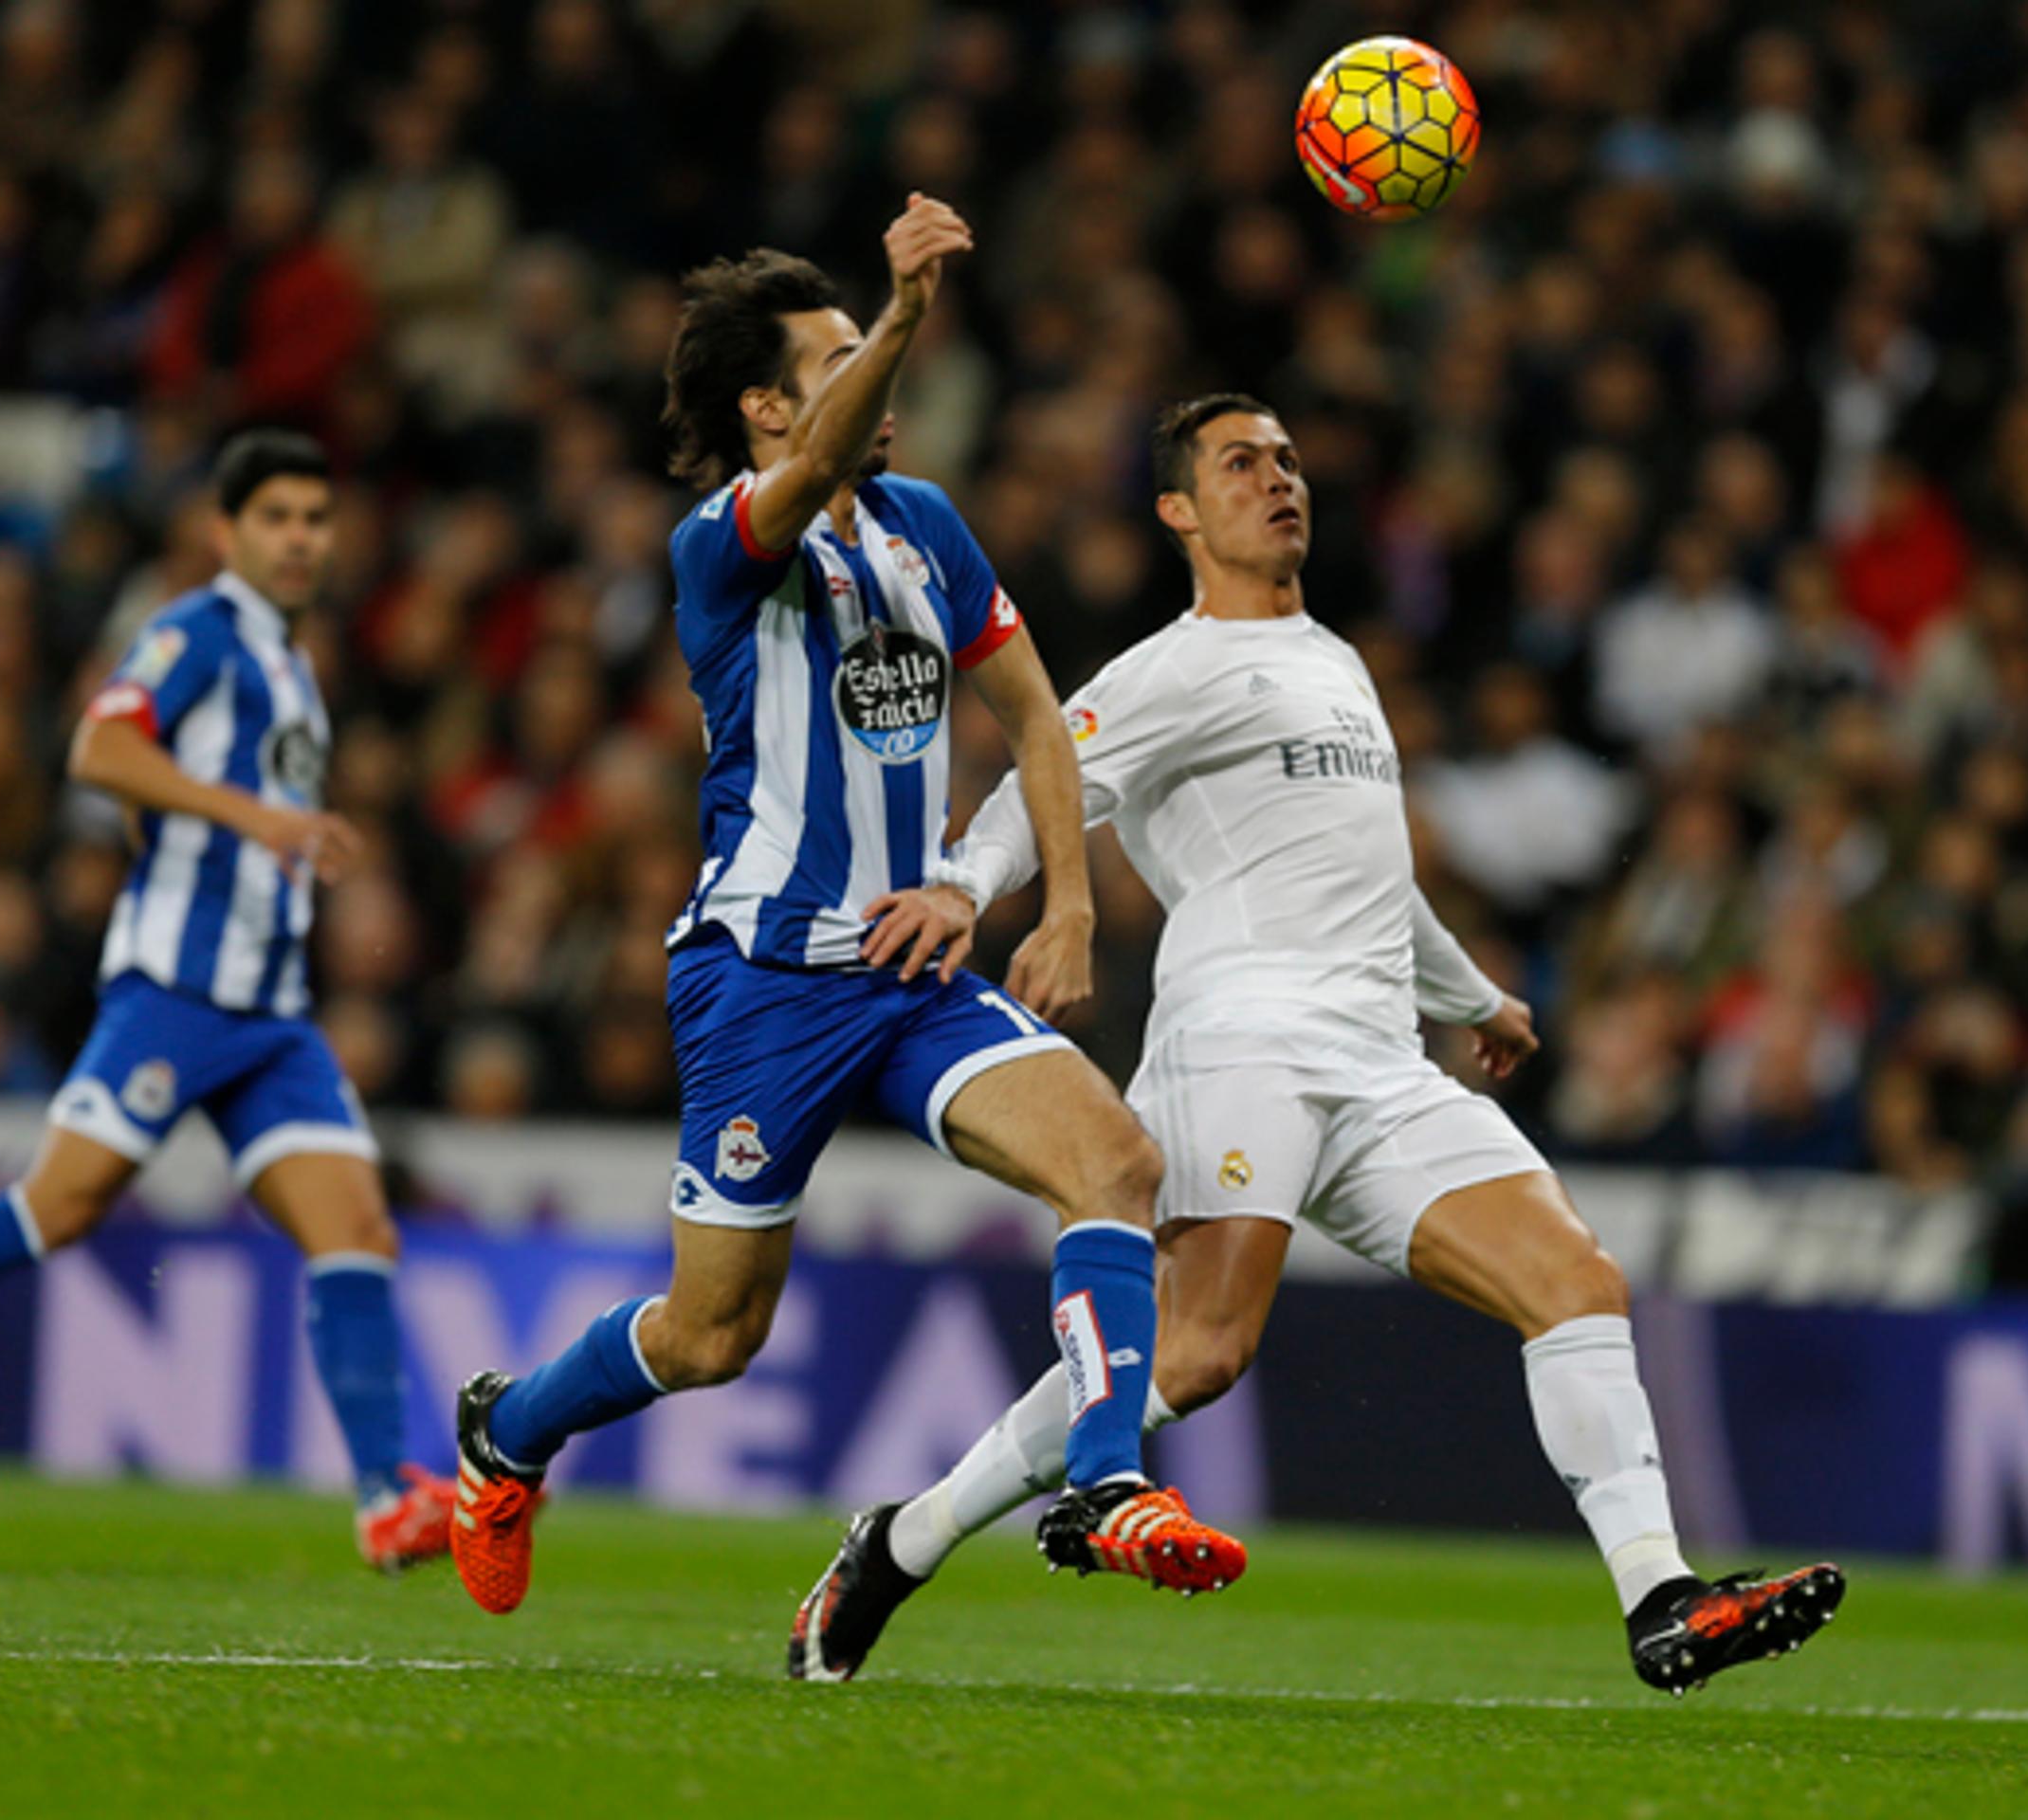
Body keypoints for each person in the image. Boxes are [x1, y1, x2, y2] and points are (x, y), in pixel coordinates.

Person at [788, 396, 1844, 1695]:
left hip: (1380, 1057)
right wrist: (962, 886)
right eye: (1240, 465)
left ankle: (1660, 1601)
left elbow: (1368, 873)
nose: (1277, 481)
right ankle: (901, 1543)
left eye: (1286, 461)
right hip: (1241, 1040)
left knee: (1575, 1282)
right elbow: (1050, 775)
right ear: (1178, 509)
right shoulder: (1173, 667)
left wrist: (1467, 995)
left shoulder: (1336, 659)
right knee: (1196, 1356)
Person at [446, 197, 1245, 1619]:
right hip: (762, 981)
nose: (879, 383)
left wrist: (1062, 905)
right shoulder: (720, 544)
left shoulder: (928, 527)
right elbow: (814, 461)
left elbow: (1038, 719)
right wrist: (906, 312)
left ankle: (1107, 1484)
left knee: (1116, 1167)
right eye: (836, 361)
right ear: (765, 405)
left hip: (913, 969)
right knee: (709, 1338)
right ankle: (507, 1431)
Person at [0, 430, 454, 1574]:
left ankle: (379, 1499)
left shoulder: (293, 665)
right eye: (277, 518)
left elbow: (145, 797)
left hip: (273, 1015)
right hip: (179, 992)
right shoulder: (194, 632)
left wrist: (228, 833)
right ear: (226, 533)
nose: (302, 538)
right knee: (53, 1211)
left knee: (357, 1227)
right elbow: (101, 748)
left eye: (317, 518)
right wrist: (247, 818)